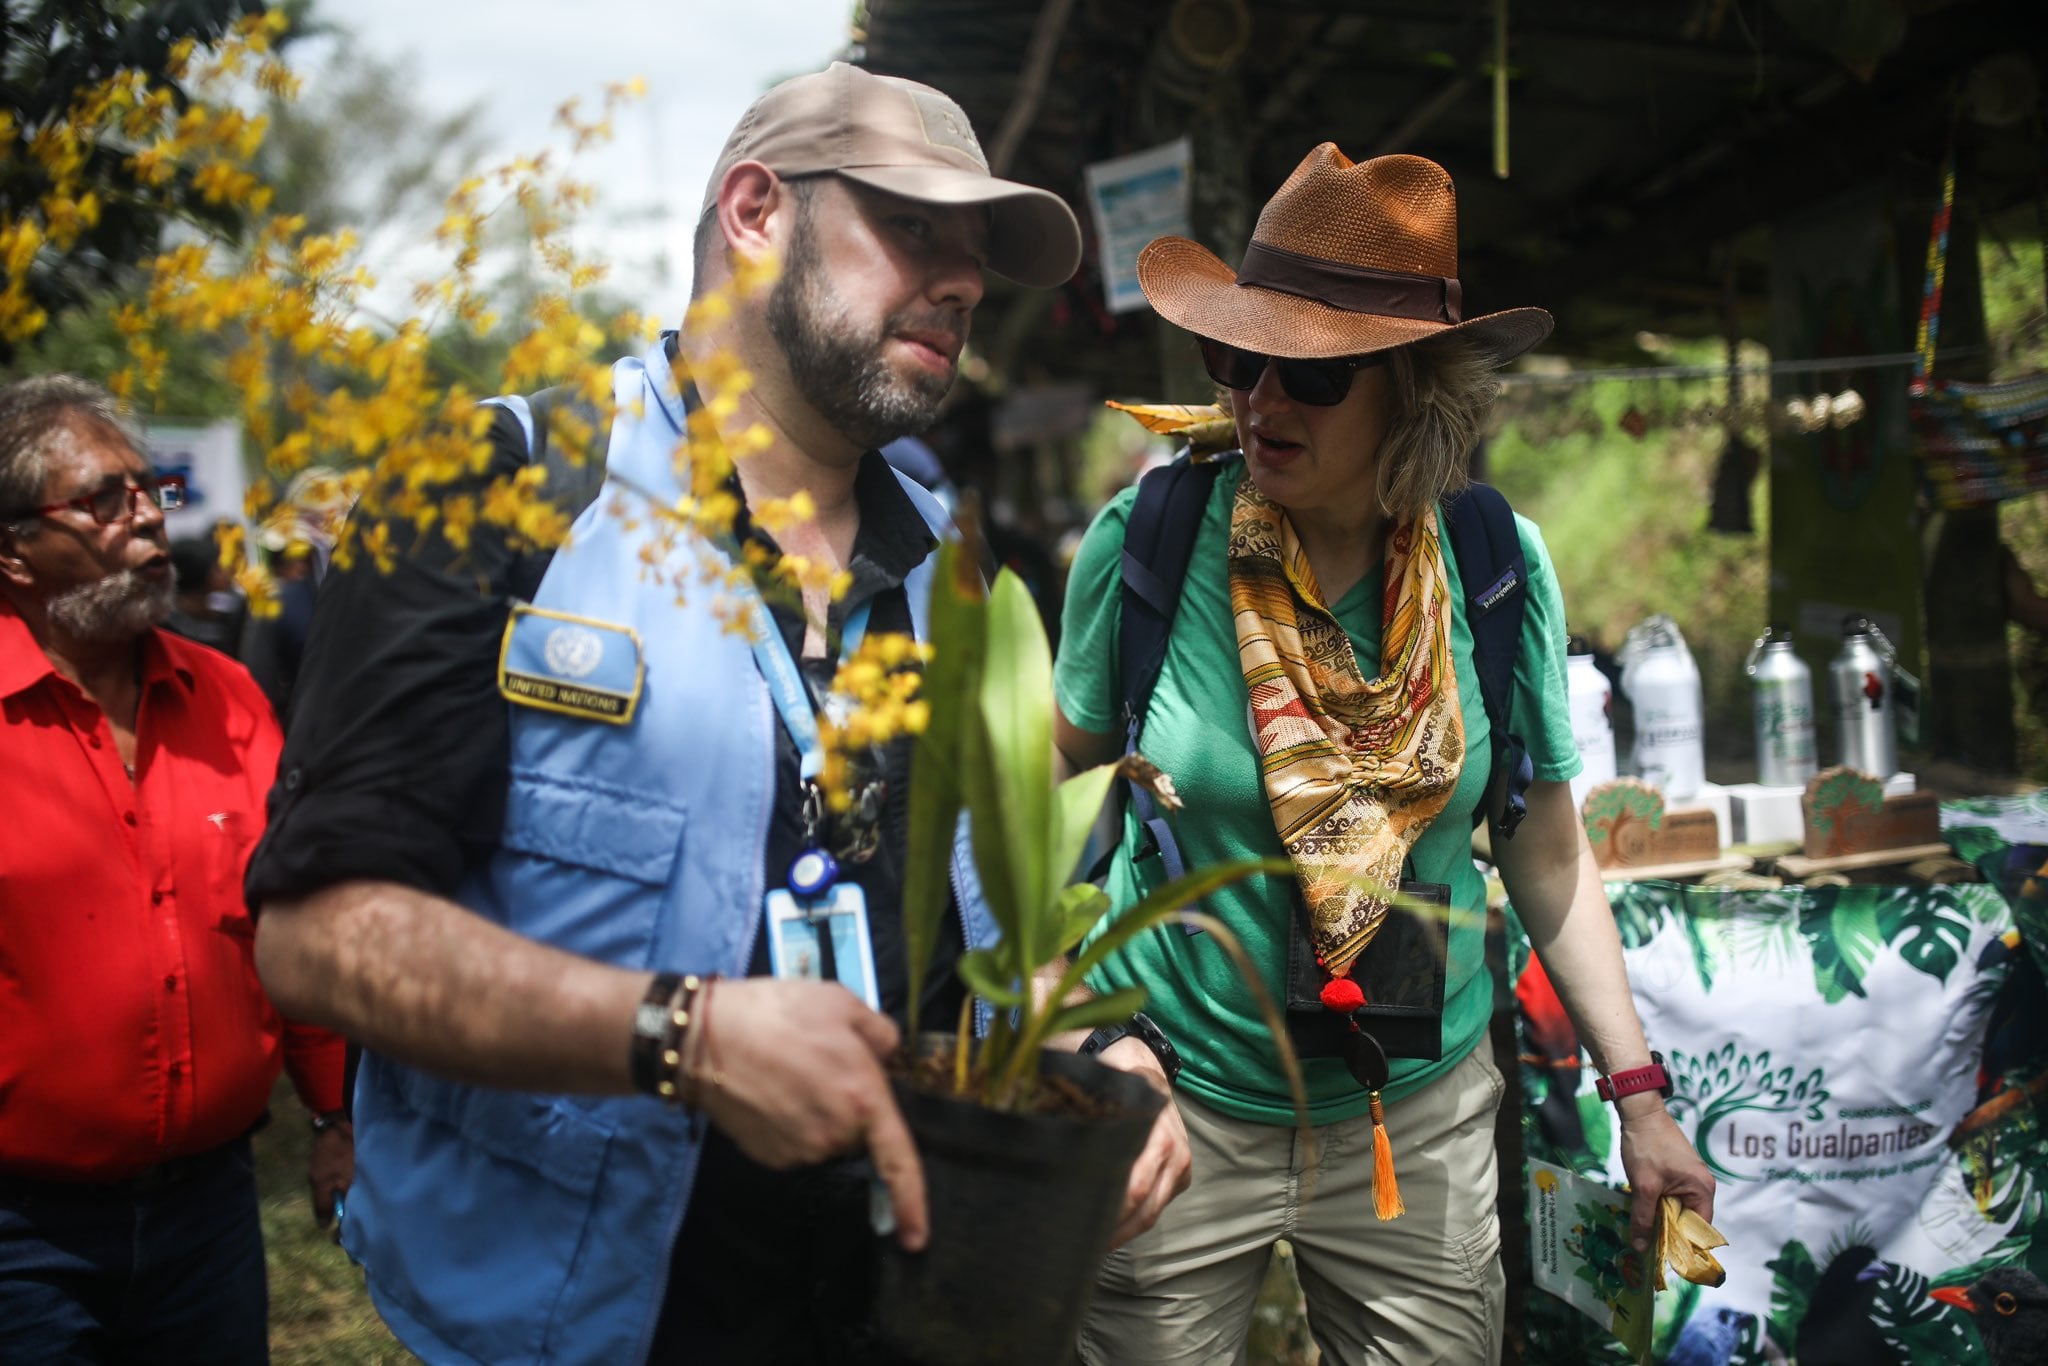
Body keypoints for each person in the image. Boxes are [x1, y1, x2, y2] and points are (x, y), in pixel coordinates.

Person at [243, 63, 1169, 1364]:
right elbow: (319, 938)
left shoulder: (950, 571)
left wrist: (1102, 1044)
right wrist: (682, 1034)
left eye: (975, 255)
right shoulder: (496, 495)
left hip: (894, 1300)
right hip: (570, 1321)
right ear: (754, 211)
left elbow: (999, 915)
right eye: (914, 227)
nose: (960, 281)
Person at [1052, 145, 1716, 1364]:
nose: (1260, 401)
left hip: (1416, 1111)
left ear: (1413, 389)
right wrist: (1093, 1043)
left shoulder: (1491, 558)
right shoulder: (1147, 542)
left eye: (1308, 375)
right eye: (1236, 359)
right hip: (1178, 1108)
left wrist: (1639, 1095)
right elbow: (1048, 826)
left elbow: (1544, 848)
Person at [0, 374, 352, 1363]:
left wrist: (335, 1113)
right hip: (20, 1238)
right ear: (12, 550)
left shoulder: (229, 696)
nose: (148, 513)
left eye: (148, 487)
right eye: (104, 499)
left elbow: (295, 913)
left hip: (210, 1215)